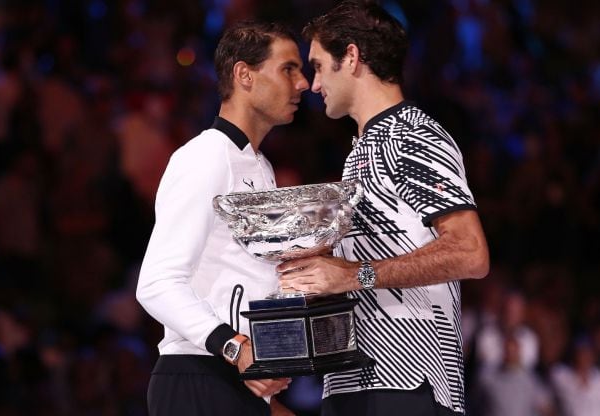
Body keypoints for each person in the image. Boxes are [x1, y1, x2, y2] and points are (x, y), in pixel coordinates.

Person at [276, 1, 489, 415]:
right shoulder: (365, 146)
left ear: (351, 57)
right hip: (356, 379)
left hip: (408, 381)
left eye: (319, 66)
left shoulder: (411, 134)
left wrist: (354, 275)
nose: (314, 85)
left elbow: (470, 252)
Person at [135, 21, 309, 416]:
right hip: (199, 374)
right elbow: (157, 283)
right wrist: (236, 346)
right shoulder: (206, 156)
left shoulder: (258, 165)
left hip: (234, 380)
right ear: (244, 75)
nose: (302, 84)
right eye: (288, 69)